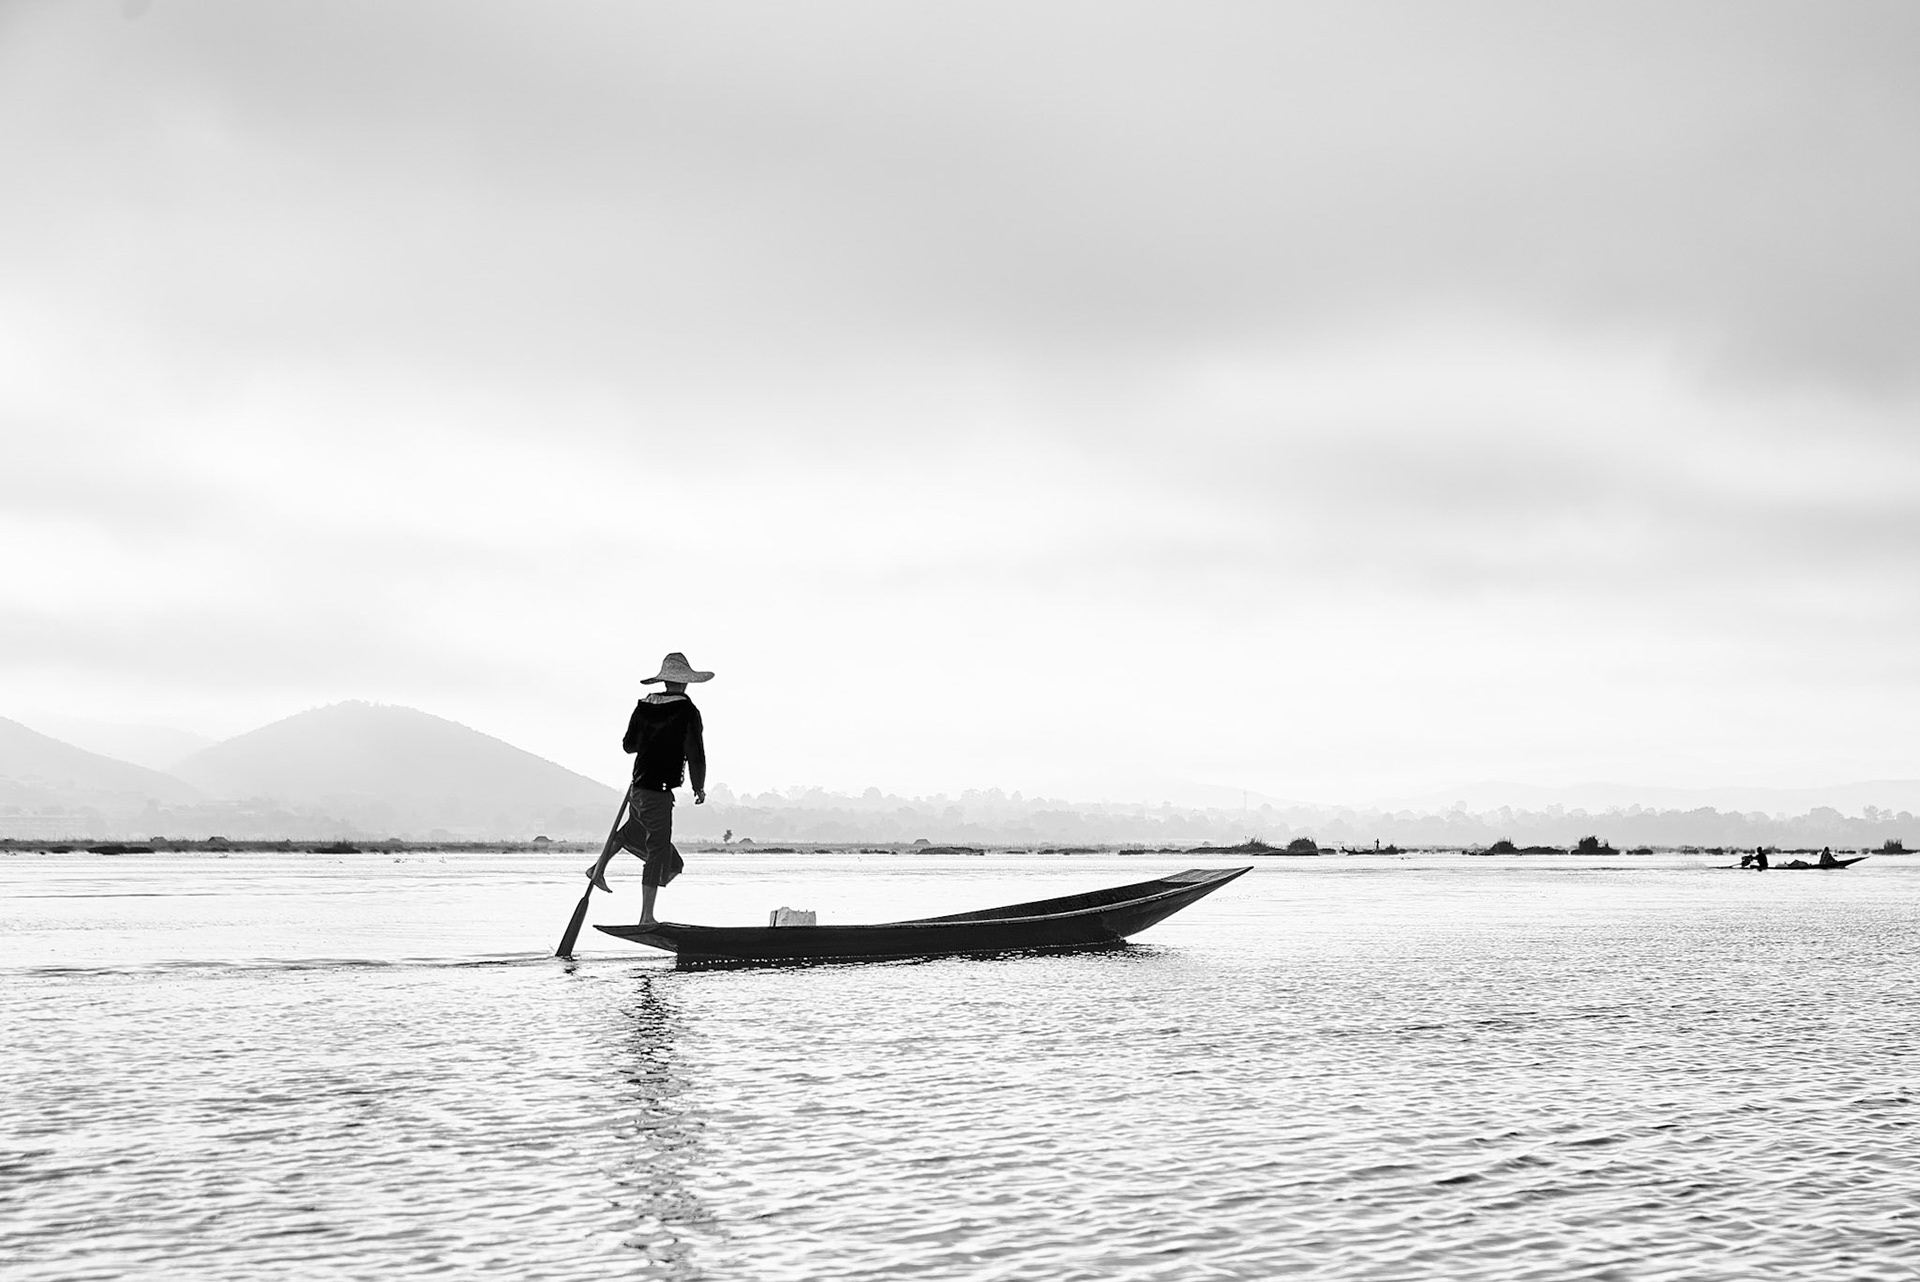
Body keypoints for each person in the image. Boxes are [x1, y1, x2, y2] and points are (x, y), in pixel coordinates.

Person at [586, 651, 711, 926]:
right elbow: (695, 753)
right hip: (658, 791)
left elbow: (629, 745)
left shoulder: (644, 706)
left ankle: (597, 869)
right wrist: (698, 787)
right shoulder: (688, 711)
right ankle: (646, 917)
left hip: (638, 787)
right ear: (685, 682)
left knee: (636, 833)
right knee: (658, 851)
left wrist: (651, 738)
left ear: (665, 681)